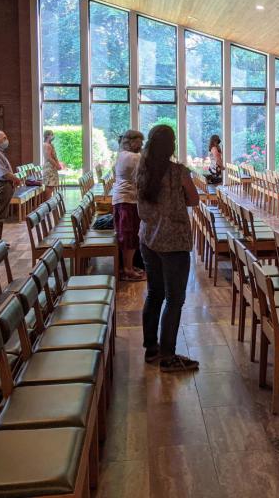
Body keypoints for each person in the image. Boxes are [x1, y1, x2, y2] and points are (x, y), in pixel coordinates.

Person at [136, 124, 200, 372]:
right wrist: (176, 201)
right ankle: (168, 355)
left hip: (148, 238)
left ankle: (151, 349)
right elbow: (194, 199)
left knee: (154, 294)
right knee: (175, 299)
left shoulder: (142, 170)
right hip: (173, 241)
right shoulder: (177, 172)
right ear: (171, 146)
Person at [112, 130, 146, 282]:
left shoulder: (121, 154)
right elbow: (144, 176)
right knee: (129, 236)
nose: (142, 145)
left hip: (120, 197)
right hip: (129, 199)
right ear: (132, 142)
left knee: (125, 235)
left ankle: (128, 266)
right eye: (140, 141)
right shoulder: (134, 157)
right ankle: (128, 270)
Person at [42, 129, 62, 200]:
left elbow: (54, 156)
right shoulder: (46, 145)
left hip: (52, 168)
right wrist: (57, 165)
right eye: (51, 134)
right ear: (47, 136)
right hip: (49, 168)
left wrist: (58, 164)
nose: (53, 136)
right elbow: (49, 158)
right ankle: (47, 204)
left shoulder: (50, 145)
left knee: (52, 186)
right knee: (49, 186)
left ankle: (49, 203)